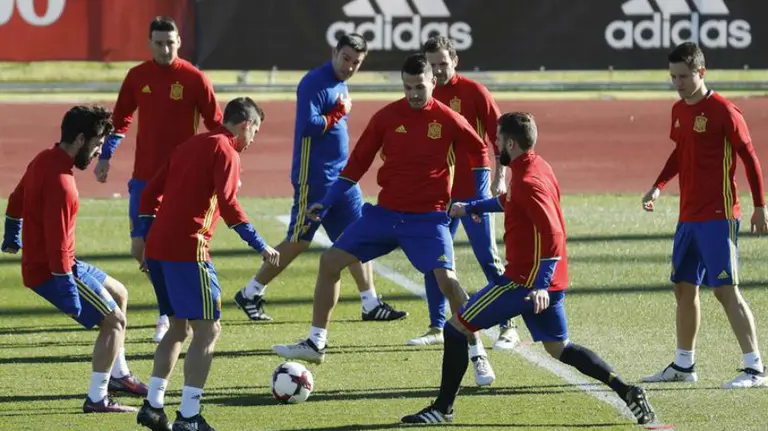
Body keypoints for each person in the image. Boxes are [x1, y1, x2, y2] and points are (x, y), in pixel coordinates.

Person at [400, 112, 656, 425]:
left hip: (523, 283)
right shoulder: (536, 167)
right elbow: (511, 201)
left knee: (456, 328)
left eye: (498, 139)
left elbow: (554, 233)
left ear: (511, 142)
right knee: (559, 347)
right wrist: (472, 208)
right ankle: (627, 390)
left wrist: (540, 285)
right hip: (545, 283)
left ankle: (443, 409)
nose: (495, 145)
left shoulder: (527, 180)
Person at [272, 53, 496, 387]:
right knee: (330, 261)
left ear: (432, 82)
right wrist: (327, 201)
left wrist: (475, 197)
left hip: (428, 219)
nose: (414, 94)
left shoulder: (449, 120)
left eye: (420, 87)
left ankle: (477, 351)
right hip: (384, 214)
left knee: (447, 281)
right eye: (408, 87)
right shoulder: (387, 117)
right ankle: (316, 342)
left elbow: (479, 151)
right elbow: (356, 164)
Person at [232, 33, 407, 324]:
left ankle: (370, 303)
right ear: (334, 51)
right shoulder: (314, 82)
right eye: (346, 58)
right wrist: (338, 112)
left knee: (357, 236)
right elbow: (308, 127)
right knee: (299, 239)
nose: (349, 66)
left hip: (342, 178)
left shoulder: (340, 82)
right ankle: (251, 291)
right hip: (315, 179)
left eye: (356, 62)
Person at [133, 97, 277, 431]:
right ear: (245, 125)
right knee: (208, 330)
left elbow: (149, 194)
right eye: (255, 130)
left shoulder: (191, 144)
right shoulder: (227, 151)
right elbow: (228, 204)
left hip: (158, 251)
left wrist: (145, 239)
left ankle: (153, 406)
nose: (253, 138)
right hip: (189, 251)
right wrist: (260, 244)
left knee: (178, 328)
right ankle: (189, 416)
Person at [2, 105, 148, 413]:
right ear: (80, 139)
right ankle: (97, 398)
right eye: (96, 144)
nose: (97, 152)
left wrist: (12, 233)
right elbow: (57, 246)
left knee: (119, 293)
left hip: (62, 263)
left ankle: (119, 375)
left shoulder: (44, 158)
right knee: (114, 322)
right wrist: (68, 291)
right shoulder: (62, 183)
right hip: (55, 270)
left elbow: (16, 197)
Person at [641, 42, 767, 389]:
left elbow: (750, 158)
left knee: (725, 290)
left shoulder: (725, 111)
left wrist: (760, 206)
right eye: (673, 77)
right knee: (684, 289)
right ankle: (684, 365)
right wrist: (658, 185)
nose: (677, 83)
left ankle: (755, 368)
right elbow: (679, 153)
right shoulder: (678, 111)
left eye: (683, 76)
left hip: (719, 215)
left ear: (701, 72)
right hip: (688, 217)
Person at [95, 16, 223, 343]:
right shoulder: (138, 77)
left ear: (179, 41)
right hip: (143, 180)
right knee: (141, 248)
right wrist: (106, 156)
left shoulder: (195, 79)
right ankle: (170, 306)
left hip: (181, 182)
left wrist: (222, 164)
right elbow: (120, 118)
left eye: (171, 42)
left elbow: (216, 125)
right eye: (159, 43)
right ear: (150, 44)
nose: (165, 48)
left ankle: (168, 315)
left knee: (169, 249)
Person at [416, 35, 518, 350]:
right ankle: (436, 325)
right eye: (432, 65)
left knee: (486, 254)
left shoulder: (474, 92)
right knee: (434, 256)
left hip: (472, 183)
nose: (438, 71)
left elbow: (499, 138)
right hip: (438, 186)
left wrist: (500, 177)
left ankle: (508, 325)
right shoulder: (425, 94)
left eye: (443, 64)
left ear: (455, 61)